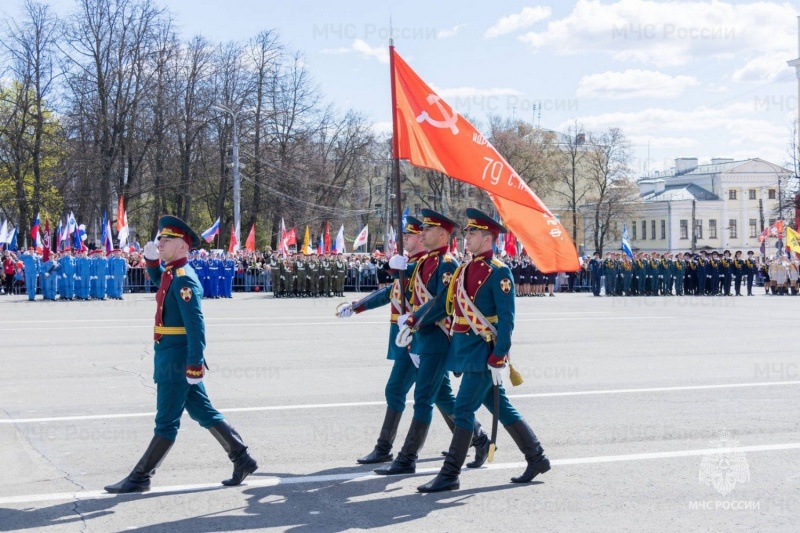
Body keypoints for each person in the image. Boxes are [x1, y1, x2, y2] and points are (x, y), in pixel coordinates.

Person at [105, 215, 257, 494]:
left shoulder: (184, 279)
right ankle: (242, 458)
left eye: (167, 240)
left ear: (183, 247)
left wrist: (195, 363)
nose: (159, 242)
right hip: (171, 356)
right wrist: (151, 262)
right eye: (159, 238)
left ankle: (140, 477)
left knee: (166, 422)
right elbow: (160, 283)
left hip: (176, 361)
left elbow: (196, 325)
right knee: (204, 412)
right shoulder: (172, 273)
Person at [407, 208, 550, 493]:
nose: (466, 236)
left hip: (484, 352)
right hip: (465, 350)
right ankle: (537, 457)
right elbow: (442, 305)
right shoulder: (463, 269)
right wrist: (414, 318)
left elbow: (507, 319)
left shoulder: (499, 272)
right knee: (503, 409)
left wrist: (500, 354)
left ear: (487, 238)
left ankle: (449, 475)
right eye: (467, 232)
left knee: (462, 409)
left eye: (472, 232)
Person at [376, 209, 489, 477]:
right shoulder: (426, 262)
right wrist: (394, 266)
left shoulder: (446, 264)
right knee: (439, 396)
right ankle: (476, 436)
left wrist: (413, 319)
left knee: (423, 398)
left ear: (442, 234)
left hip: (436, 339)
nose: (421, 233)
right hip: (419, 340)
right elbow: (397, 283)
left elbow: (441, 304)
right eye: (421, 229)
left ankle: (407, 458)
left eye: (426, 230)